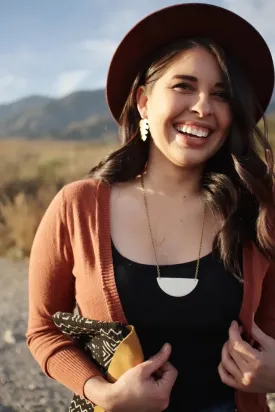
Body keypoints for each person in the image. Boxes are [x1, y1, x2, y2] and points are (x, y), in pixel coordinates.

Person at [26, 3, 275, 412]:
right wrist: (102, 393)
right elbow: (43, 329)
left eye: (221, 94)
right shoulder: (78, 206)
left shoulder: (258, 211)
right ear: (143, 101)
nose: (202, 107)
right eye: (183, 86)